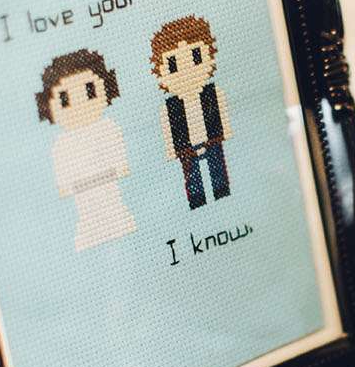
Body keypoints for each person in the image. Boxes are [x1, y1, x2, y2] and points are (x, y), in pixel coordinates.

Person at [35, 48, 137, 251]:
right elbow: (64, 182)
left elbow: (120, 163)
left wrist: (113, 170)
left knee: (115, 214)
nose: (79, 103)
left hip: (111, 195)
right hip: (85, 200)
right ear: (48, 106)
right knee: (90, 220)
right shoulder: (62, 145)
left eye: (90, 90)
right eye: (64, 99)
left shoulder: (108, 128)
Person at [150, 15, 232, 210]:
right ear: (160, 72)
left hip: (213, 140)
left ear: (209, 56)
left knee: (217, 170)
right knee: (193, 179)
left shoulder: (213, 94)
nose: (186, 68)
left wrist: (226, 132)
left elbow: (222, 112)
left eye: (196, 56)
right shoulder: (169, 108)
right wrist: (171, 150)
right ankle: (197, 200)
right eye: (172, 64)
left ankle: (221, 192)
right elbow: (168, 128)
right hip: (185, 148)